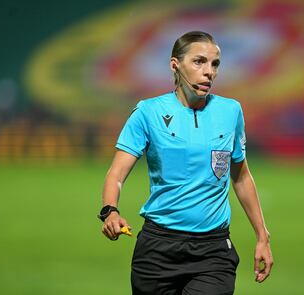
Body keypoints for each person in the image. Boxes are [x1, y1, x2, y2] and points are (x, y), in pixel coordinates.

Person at [98, 31, 273, 295]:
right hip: (157, 250)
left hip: (213, 251)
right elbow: (117, 173)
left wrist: (262, 236)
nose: (209, 72)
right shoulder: (148, 112)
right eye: (199, 62)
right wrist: (110, 211)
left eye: (215, 64)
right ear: (175, 65)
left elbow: (241, 176)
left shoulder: (231, 111)